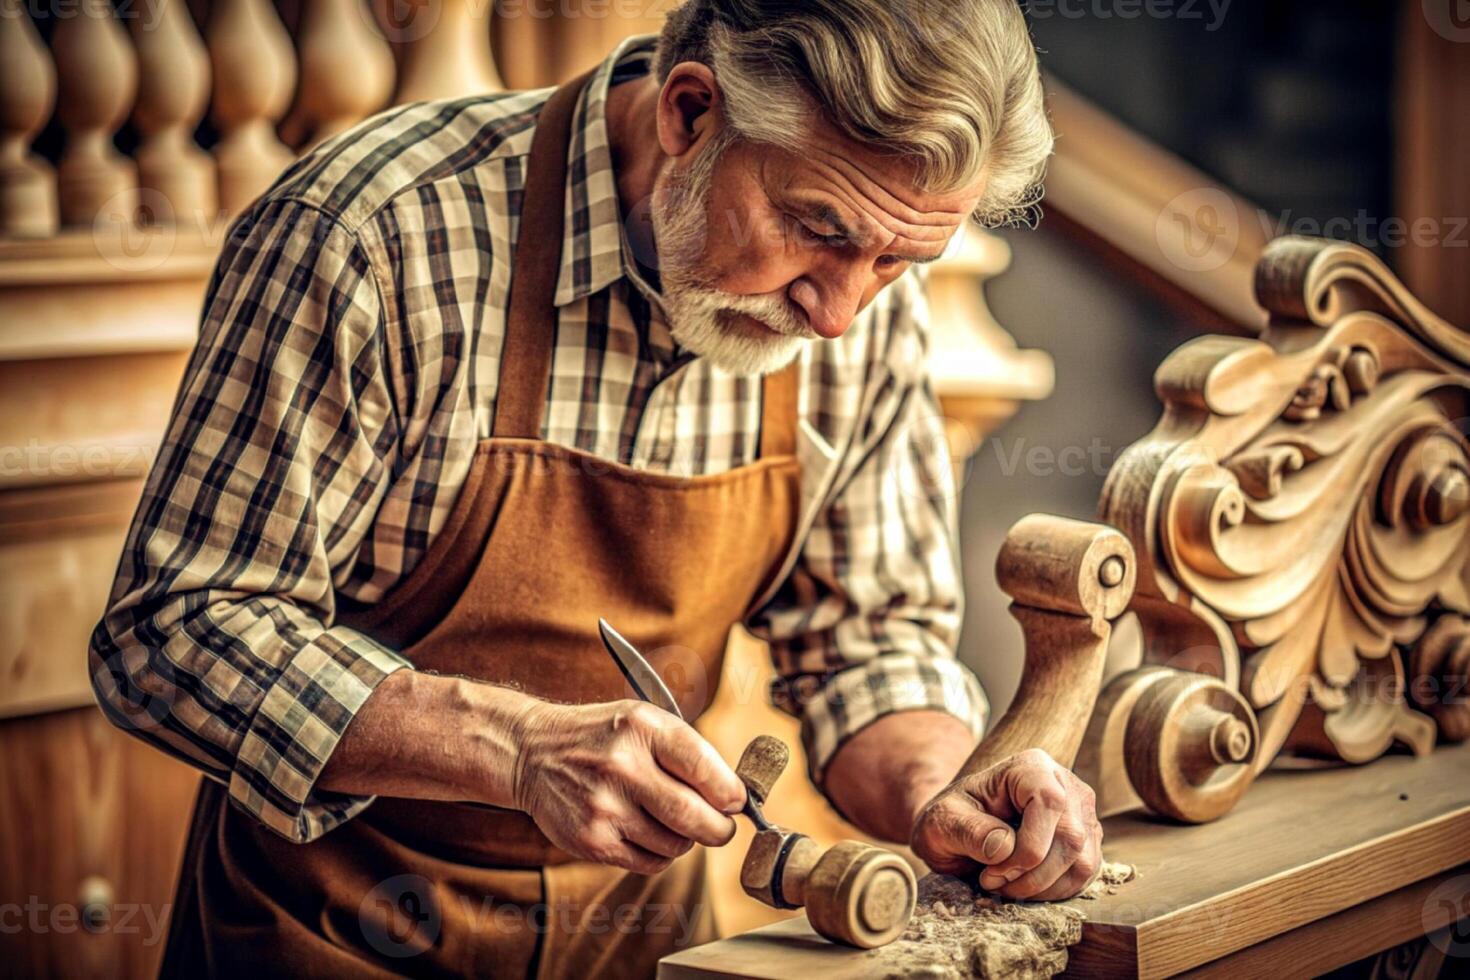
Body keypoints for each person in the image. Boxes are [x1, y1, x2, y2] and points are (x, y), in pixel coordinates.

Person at [90, 1, 1100, 975]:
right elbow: (173, 629)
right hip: (323, 932)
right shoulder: (374, 237)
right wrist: (516, 748)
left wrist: (944, 794)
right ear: (690, 113)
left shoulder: (859, 293)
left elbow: (866, 643)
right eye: (815, 227)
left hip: (640, 945)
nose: (839, 312)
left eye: (898, 260)